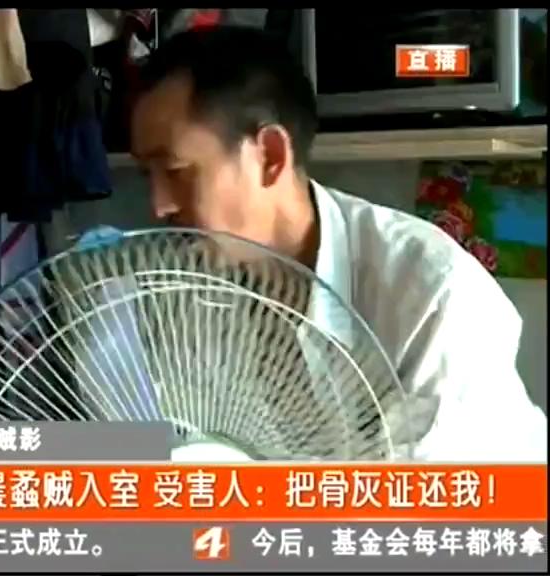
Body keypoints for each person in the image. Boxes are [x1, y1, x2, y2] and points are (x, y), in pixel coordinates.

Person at [129, 26, 547, 461]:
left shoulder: (431, 295)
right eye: (146, 176)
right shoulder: (186, 291)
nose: (158, 205)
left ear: (270, 156)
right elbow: (165, 438)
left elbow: (424, 494)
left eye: (175, 171)